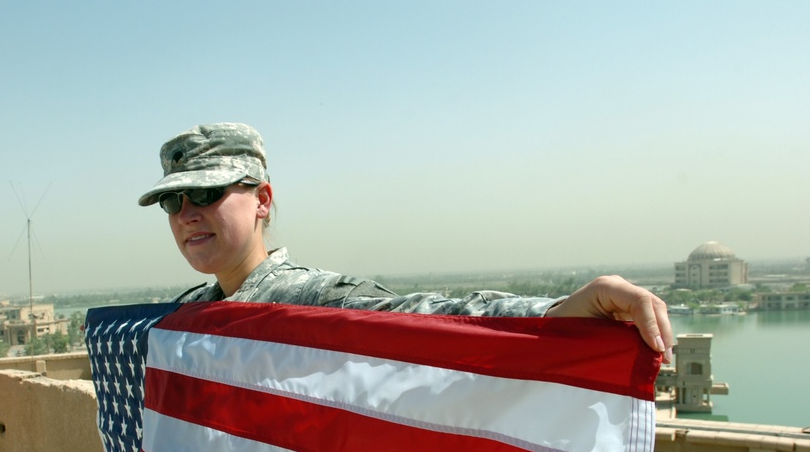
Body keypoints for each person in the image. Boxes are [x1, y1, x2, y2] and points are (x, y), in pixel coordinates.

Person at [138, 122, 672, 360]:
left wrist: (557, 313)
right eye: (172, 201)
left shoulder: (311, 303)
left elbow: (430, 318)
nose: (187, 214)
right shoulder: (188, 315)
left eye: (207, 192)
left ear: (262, 199)